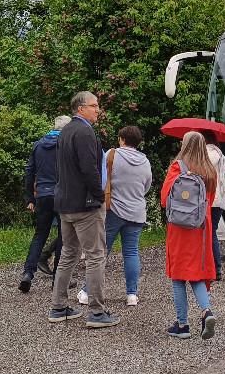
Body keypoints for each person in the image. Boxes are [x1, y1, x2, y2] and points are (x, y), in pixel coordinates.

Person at [48, 91, 119, 328]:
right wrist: (99, 196)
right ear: (81, 109)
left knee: (68, 254)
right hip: (85, 205)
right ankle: (97, 312)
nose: (98, 109)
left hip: (65, 203)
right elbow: (90, 169)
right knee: (96, 255)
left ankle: (58, 307)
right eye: (94, 105)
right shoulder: (85, 132)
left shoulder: (65, 131)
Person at [77, 126, 152, 307]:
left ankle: (87, 291)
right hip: (137, 212)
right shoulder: (145, 161)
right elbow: (147, 186)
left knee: (101, 252)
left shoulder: (111, 154)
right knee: (132, 252)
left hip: (113, 210)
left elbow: (100, 177)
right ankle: (132, 295)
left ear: (121, 139)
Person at [160, 131, 218, 340]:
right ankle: (206, 311)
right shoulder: (210, 171)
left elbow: (165, 199)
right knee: (196, 273)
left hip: (179, 227)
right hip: (201, 227)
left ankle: (182, 325)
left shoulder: (178, 167)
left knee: (178, 275)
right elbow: (210, 201)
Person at [18, 115, 70, 293]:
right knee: (64, 236)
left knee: (40, 235)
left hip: (42, 194)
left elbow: (29, 171)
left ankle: (28, 274)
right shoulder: (65, 145)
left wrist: (29, 198)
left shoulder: (38, 145)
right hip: (62, 195)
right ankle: (58, 278)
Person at [201, 130, 225, 282]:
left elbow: (200, 169)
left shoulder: (210, 153)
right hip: (218, 201)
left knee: (209, 233)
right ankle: (214, 268)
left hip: (211, 200)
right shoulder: (220, 153)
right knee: (210, 233)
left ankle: (215, 268)